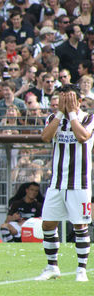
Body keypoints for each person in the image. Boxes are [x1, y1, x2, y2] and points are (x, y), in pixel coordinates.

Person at [36, 84, 93, 282]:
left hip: (80, 183)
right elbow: (45, 137)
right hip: (57, 182)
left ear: (78, 101)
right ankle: (52, 266)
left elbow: (82, 136)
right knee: (48, 224)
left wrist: (72, 114)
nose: (65, 102)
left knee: (79, 226)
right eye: (62, 99)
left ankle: (81, 270)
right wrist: (61, 113)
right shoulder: (54, 119)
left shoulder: (88, 118)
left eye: (69, 99)